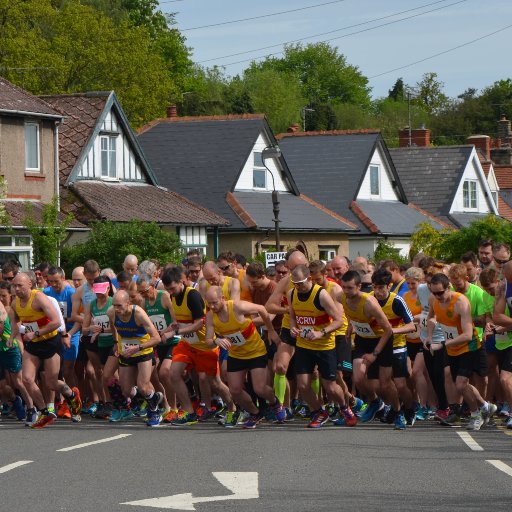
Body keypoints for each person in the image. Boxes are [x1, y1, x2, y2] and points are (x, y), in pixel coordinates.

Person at [8, 272, 82, 428]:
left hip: (50, 342)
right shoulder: (15, 303)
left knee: (52, 382)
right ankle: (44, 411)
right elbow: (15, 321)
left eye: (19, 285)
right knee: (27, 379)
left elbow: (56, 321)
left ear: (30, 284)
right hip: (33, 344)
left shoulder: (39, 298)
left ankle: (71, 394)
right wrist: (12, 337)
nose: (16, 289)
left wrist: (36, 333)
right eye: (14, 286)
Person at [205, 286, 284, 428]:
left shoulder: (237, 306)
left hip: (255, 351)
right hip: (236, 354)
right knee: (234, 390)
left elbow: (261, 309)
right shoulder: (211, 316)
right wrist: (216, 340)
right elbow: (208, 341)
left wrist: (271, 330)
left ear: (223, 298)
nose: (212, 306)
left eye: (215, 302)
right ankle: (256, 413)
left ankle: (274, 403)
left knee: (259, 388)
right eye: (209, 303)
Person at [288, 265, 357, 428]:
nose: (298, 286)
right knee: (303, 385)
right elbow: (292, 316)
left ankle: (344, 408)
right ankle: (319, 412)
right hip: (304, 344)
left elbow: (339, 320)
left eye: (301, 283)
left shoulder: (321, 294)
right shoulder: (292, 294)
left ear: (309, 279)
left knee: (331, 387)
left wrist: (322, 332)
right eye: (295, 283)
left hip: (324, 346)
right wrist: (293, 327)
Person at [426, 273, 495, 431]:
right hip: (452, 348)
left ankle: (476, 415)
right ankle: (486, 406)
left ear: (448, 288)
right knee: (462, 385)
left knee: (461, 384)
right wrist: (429, 337)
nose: (438, 297)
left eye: (440, 293)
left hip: (469, 346)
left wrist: (442, 344)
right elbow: (431, 318)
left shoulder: (461, 302)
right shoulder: (433, 300)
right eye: (434, 293)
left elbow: (467, 334)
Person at [163, 267, 231, 426]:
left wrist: (176, 332)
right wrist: (169, 329)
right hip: (187, 344)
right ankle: (189, 412)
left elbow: (200, 323)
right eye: (167, 289)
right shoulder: (173, 297)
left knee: (214, 382)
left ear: (181, 282)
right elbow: (181, 321)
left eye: (172, 288)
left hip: (205, 345)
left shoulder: (192, 296)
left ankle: (233, 408)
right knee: (173, 373)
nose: (171, 292)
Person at [338, 270, 402, 429]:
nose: (346, 291)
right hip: (362, 340)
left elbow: (388, 330)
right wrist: (350, 326)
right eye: (344, 287)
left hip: (382, 341)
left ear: (359, 286)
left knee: (385, 383)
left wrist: (375, 354)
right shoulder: (341, 297)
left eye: (350, 288)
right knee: (358, 378)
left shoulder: (369, 302)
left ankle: (397, 411)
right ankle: (375, 403)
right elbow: (350, 313)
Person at [108, 290, 163, 427]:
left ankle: (154, 412)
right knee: (126, 391)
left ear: (128, 303)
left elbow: (157, 338)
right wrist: (116, 343)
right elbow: (113, 326)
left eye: (119, 306)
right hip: (126, 352)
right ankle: (154, 397)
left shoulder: (138, 314)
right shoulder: (111, 312)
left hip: (143, 351)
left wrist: (138, 348)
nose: (116, 309)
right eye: (114, 305)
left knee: (143, 386)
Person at [371, 268, 416, 428]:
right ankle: (394, 408)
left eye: (381, 288)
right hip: (377, 346)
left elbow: (411, 326)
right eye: (375, 287)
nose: (378, 291)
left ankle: (410, 409)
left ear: (389, 286)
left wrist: (392, 331)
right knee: (380, 385)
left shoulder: (397, 301)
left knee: (401, 385)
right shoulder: (369, 299)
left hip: (397, 347)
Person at [137, 273, 181, 423]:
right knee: (151, 375)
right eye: (140, 292)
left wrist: (165, 332)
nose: (143, 294)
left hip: (172, 340)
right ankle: (166, 406)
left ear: (153, 286)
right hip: (158, 343)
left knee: (164, 372)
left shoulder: (164, 296)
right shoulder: (144, 303)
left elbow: (176, 322)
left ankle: (174, 408)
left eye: (145, 291)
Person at [81, 275, 117, 420]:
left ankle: (121, 402)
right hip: (100, 343)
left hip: (113, 342)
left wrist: (104, 330)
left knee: (112, 375)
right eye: (96, 289)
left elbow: (119, 327)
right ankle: (106, 402)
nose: (99, 292)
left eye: (102, 289)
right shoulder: (91, 304)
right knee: (101, 373)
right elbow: (84, 330)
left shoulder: (113, 303)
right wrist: (92, 327)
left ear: (108, 288)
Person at [491, 261, 512, 429]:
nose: (505, 280)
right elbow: (497, 317)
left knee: (506, 379)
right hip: (508, 340)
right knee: (505, 379)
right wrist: (499, 295)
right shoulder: (506, 288)